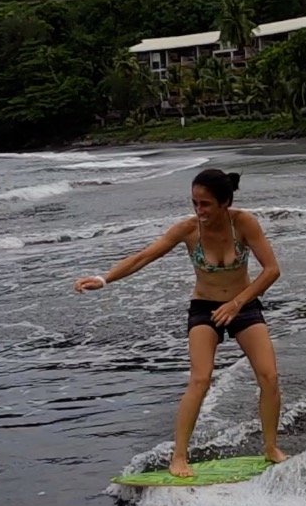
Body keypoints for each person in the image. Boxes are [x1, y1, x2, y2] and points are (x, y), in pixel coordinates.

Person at [74, 168, 285, 478]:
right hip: (204, 307)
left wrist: (237, 303)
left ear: (225, 202)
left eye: (206, 204)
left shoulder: (244, 223)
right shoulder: (187, 230)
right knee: (200, 379)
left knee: (269, 376)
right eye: (194, 203)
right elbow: (144, 256)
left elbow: (271, 270)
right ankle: (179, 457)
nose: (199, 211)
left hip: (243, 303)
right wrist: (104, 278)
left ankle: (270, 448)